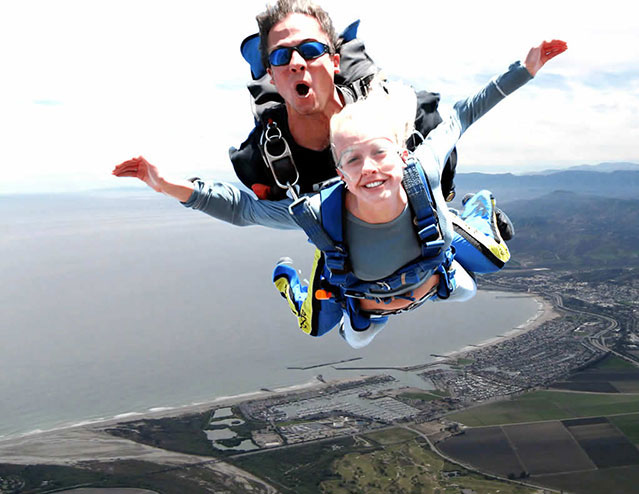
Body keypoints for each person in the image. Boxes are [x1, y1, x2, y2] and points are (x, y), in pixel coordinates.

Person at [112, 39, 567, 348]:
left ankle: (478, 212)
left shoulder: (422, 170)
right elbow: (245, 209)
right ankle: (294, 283)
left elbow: (464, 115)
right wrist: (166, 185)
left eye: (378, 154)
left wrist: (524, 70)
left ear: (402, 155)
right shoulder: (318, 213)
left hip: (434, 278)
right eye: (352, 160)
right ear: (338, 173)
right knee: (338, 332)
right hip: (379, 297)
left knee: (481, 270)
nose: (369, 169)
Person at [230, 0, 459, 202]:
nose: (296, 63)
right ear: (271, 75)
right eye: (281, 55)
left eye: (311, 50)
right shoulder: (261, 162)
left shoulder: (409, 118)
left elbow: (442, 183)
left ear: (335, 62)